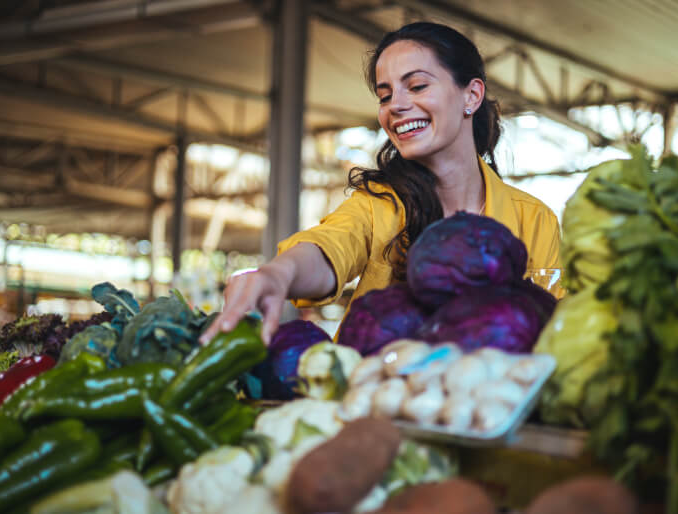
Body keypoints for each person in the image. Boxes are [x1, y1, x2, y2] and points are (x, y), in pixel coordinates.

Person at [200, 21, 561, 346]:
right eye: (385, 96)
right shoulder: (380, 205)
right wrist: (279, 274)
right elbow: (330, 247)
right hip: (375, 405)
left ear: (472, 96)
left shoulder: (535, 221)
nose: (395, 106)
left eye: (417, 86)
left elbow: (554, 331)